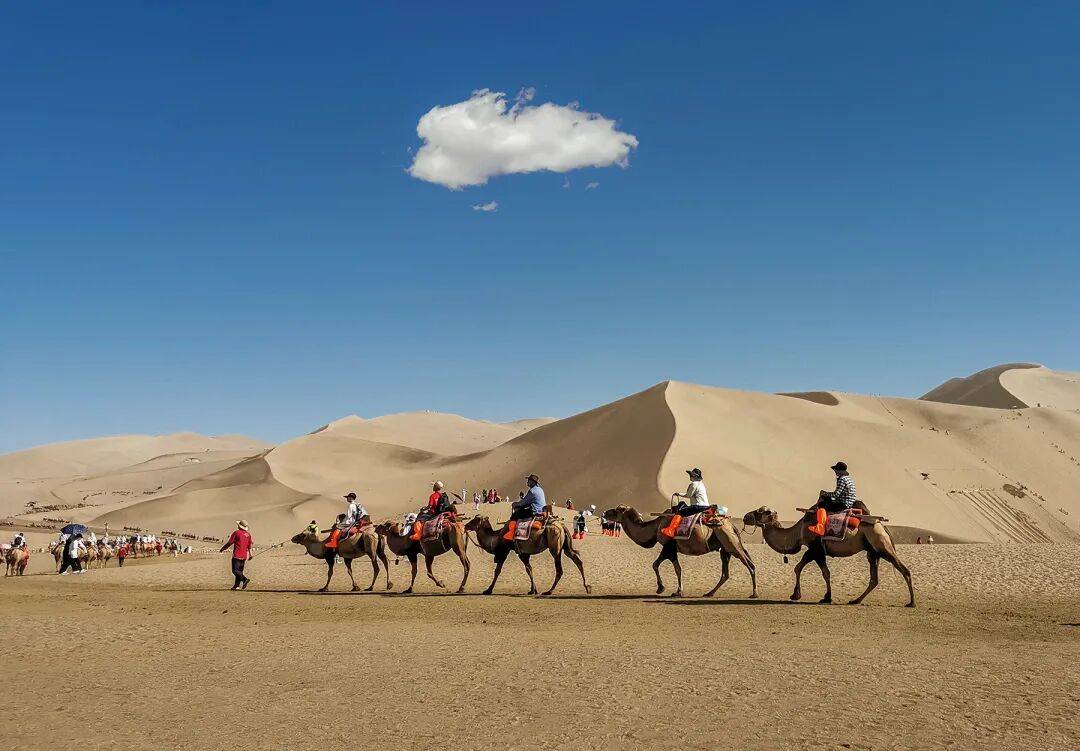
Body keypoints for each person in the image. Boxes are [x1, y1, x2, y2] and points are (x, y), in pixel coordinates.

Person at [807, 461, 860, 537]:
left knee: (822, 504)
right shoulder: (848, 479)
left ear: (840, 471)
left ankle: (820, 527)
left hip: (844, 503)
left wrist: (824, 493)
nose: (835, 472)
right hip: (848, 502)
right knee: (827, 499)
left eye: (836, 470)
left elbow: (836, 494)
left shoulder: (842, 479)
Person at [662, 468, 710, 538]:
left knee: (680, 512)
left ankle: (671, 530)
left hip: (697, 507)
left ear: (694, 476)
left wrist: (679, 494)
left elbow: (688, 495)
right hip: (706, 506)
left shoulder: (693, 484)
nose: (690, 477)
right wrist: (679, 494)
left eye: (691, 475)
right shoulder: (701, 484)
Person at [504, 474, 546, 540]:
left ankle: (511, 535)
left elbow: (523, 503)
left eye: (529, 480)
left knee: (515, 515)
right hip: (542, 510)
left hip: (535, 511)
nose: (527, 482)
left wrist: (515, 504)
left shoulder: (532, 491)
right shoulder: (540, 489)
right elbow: (529, 501)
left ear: (532, 482)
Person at [219, 520, 253, 590]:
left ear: (239, 526)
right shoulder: (248, 535)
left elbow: (230, 542)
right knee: (239, 571)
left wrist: (223, 548)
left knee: (235, 571)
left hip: (237, 555)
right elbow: (249, 546)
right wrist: (250, 554)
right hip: (244, 556)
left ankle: (244, 579)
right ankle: (236, 586)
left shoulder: (236, 533)